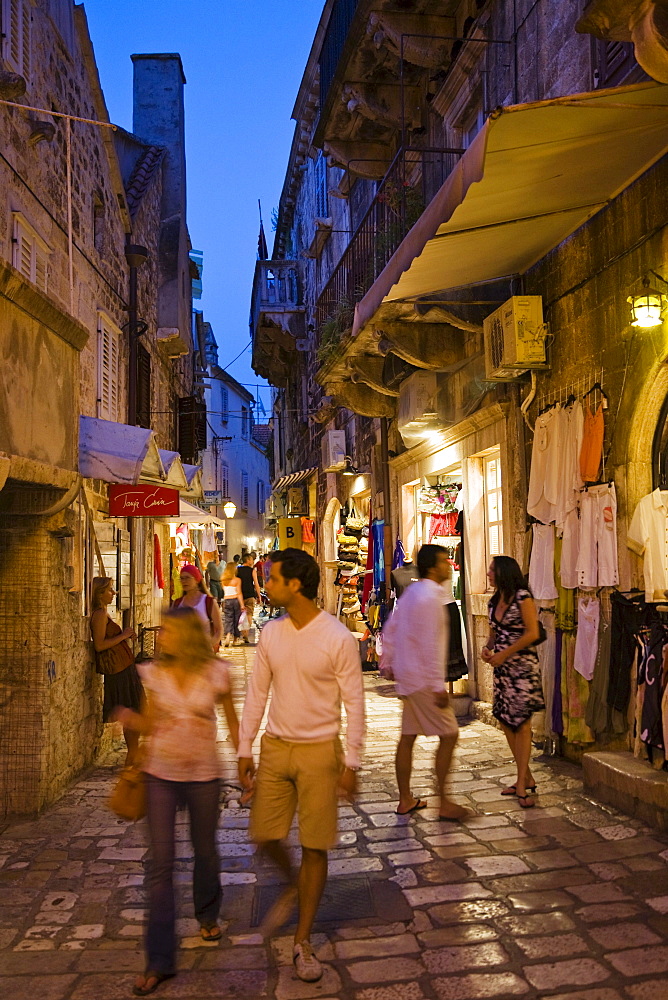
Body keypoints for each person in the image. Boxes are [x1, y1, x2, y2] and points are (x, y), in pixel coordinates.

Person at [238, 549, 365, 983]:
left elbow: (355, 703)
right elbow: (257, 693)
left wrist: (352, 761)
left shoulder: (337, 638)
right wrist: (243, 748)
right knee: (265, 833)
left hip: (319, 751)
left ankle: (303, 940)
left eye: (273, 579)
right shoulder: (271, 635)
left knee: (315, 845)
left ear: (295, 585)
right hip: (276, 746)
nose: (266, 584)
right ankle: (294, 883)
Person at [113, 607, 239, 997]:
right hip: (160, 776)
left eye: (167, 630)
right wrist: (133, 723)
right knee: (161, 866)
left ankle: (207, 914)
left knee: (206, 851)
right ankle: (158, 960)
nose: (161, 635)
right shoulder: (155, 674)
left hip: (204, 776)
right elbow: (151, 722)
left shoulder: (217, 673)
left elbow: (233, 722)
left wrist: (247, 764)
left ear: (185, 634)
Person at [382, 545, 467, 821]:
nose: (449, 566)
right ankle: (443, 801)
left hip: (408, 678)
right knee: (449, 734)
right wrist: (437, 686)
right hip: (422, 680)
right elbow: (431, 644)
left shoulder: (412, 593)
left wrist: (389, 662)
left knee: (407, 737)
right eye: (445, 561)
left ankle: (405, 798)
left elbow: (391, 628)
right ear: (433, 567)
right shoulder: (431, 596)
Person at [482, 555, 544, 809]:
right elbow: (493, 633)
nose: (488, 573)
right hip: (503, 670)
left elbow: (532, 632)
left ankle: (521, 783)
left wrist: (504, 654)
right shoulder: (494, 601)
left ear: (504, 572)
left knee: (523, 724)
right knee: (505, 720)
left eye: (492, 570)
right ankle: (526, 776)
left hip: (523, 669)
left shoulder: (522, 598)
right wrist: (487, 650)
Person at [90, 576, 142, 765]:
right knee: (131, 712)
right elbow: (100, 645)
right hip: (118, 670)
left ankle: (134, 754)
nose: (114, 593)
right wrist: (123, 636)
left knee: (135, 711)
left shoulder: (104, 613)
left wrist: (123, 636)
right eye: (110, 590)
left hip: (124, 666)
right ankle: (132, 756)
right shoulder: (99, 615)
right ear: (100, 593)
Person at [172, 564, 222, 653]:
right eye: (182, 578)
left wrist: (209, 645)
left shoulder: (208, 602)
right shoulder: (177, 603)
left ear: (196, 579)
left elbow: (219, 629)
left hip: (202, 656)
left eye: (187, 578)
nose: (184, 581)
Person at [236, 552, 262, 643]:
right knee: (249, 614)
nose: (253, 561)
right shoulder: (252, 570)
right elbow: (256, 584)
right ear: (248, 560)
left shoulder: (237, 570)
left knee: (241, 614)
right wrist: (259, 596)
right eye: (251, 559)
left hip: (240, 595)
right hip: (250, 594)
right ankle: (246, 633)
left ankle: (243, 633)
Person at [221, 560, 244, 646]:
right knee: (236, 620)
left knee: (228, 619)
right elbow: (239, 593)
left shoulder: (223, 580)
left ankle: (227, 635)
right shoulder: (237, 580)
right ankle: (235, 639)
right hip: (235, 600)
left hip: (227, 600)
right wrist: (242, 604)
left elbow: (225, 591)